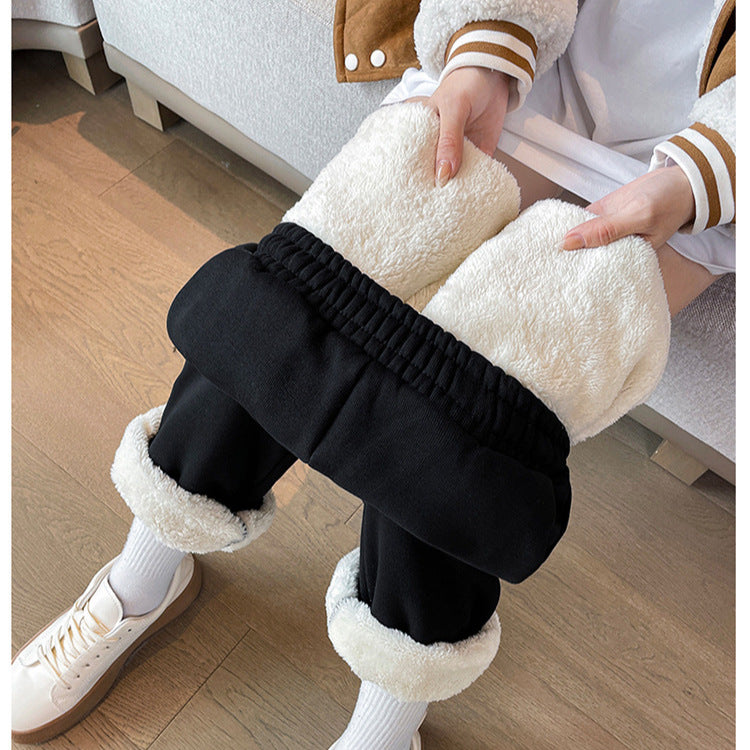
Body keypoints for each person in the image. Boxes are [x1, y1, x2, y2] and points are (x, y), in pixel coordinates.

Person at [11, 2, 734, 749]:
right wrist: (485, 46)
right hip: (525, 69)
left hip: (694, 172)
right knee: (285, 306)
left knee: (463, 439)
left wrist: (697, 179)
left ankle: (387, 726)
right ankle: (142, 580)